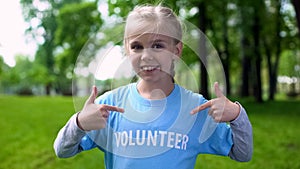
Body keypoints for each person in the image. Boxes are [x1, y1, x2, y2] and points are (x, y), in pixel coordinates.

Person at [54, 4, 253, 169]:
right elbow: (63, 150)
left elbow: (242, 153)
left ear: (176, 50)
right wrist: (79, 123)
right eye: (137, 46)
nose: (146, 55)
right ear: (127, 50)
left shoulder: (195, 108)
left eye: (157, 45)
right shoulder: (109, 106)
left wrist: (236, 115)